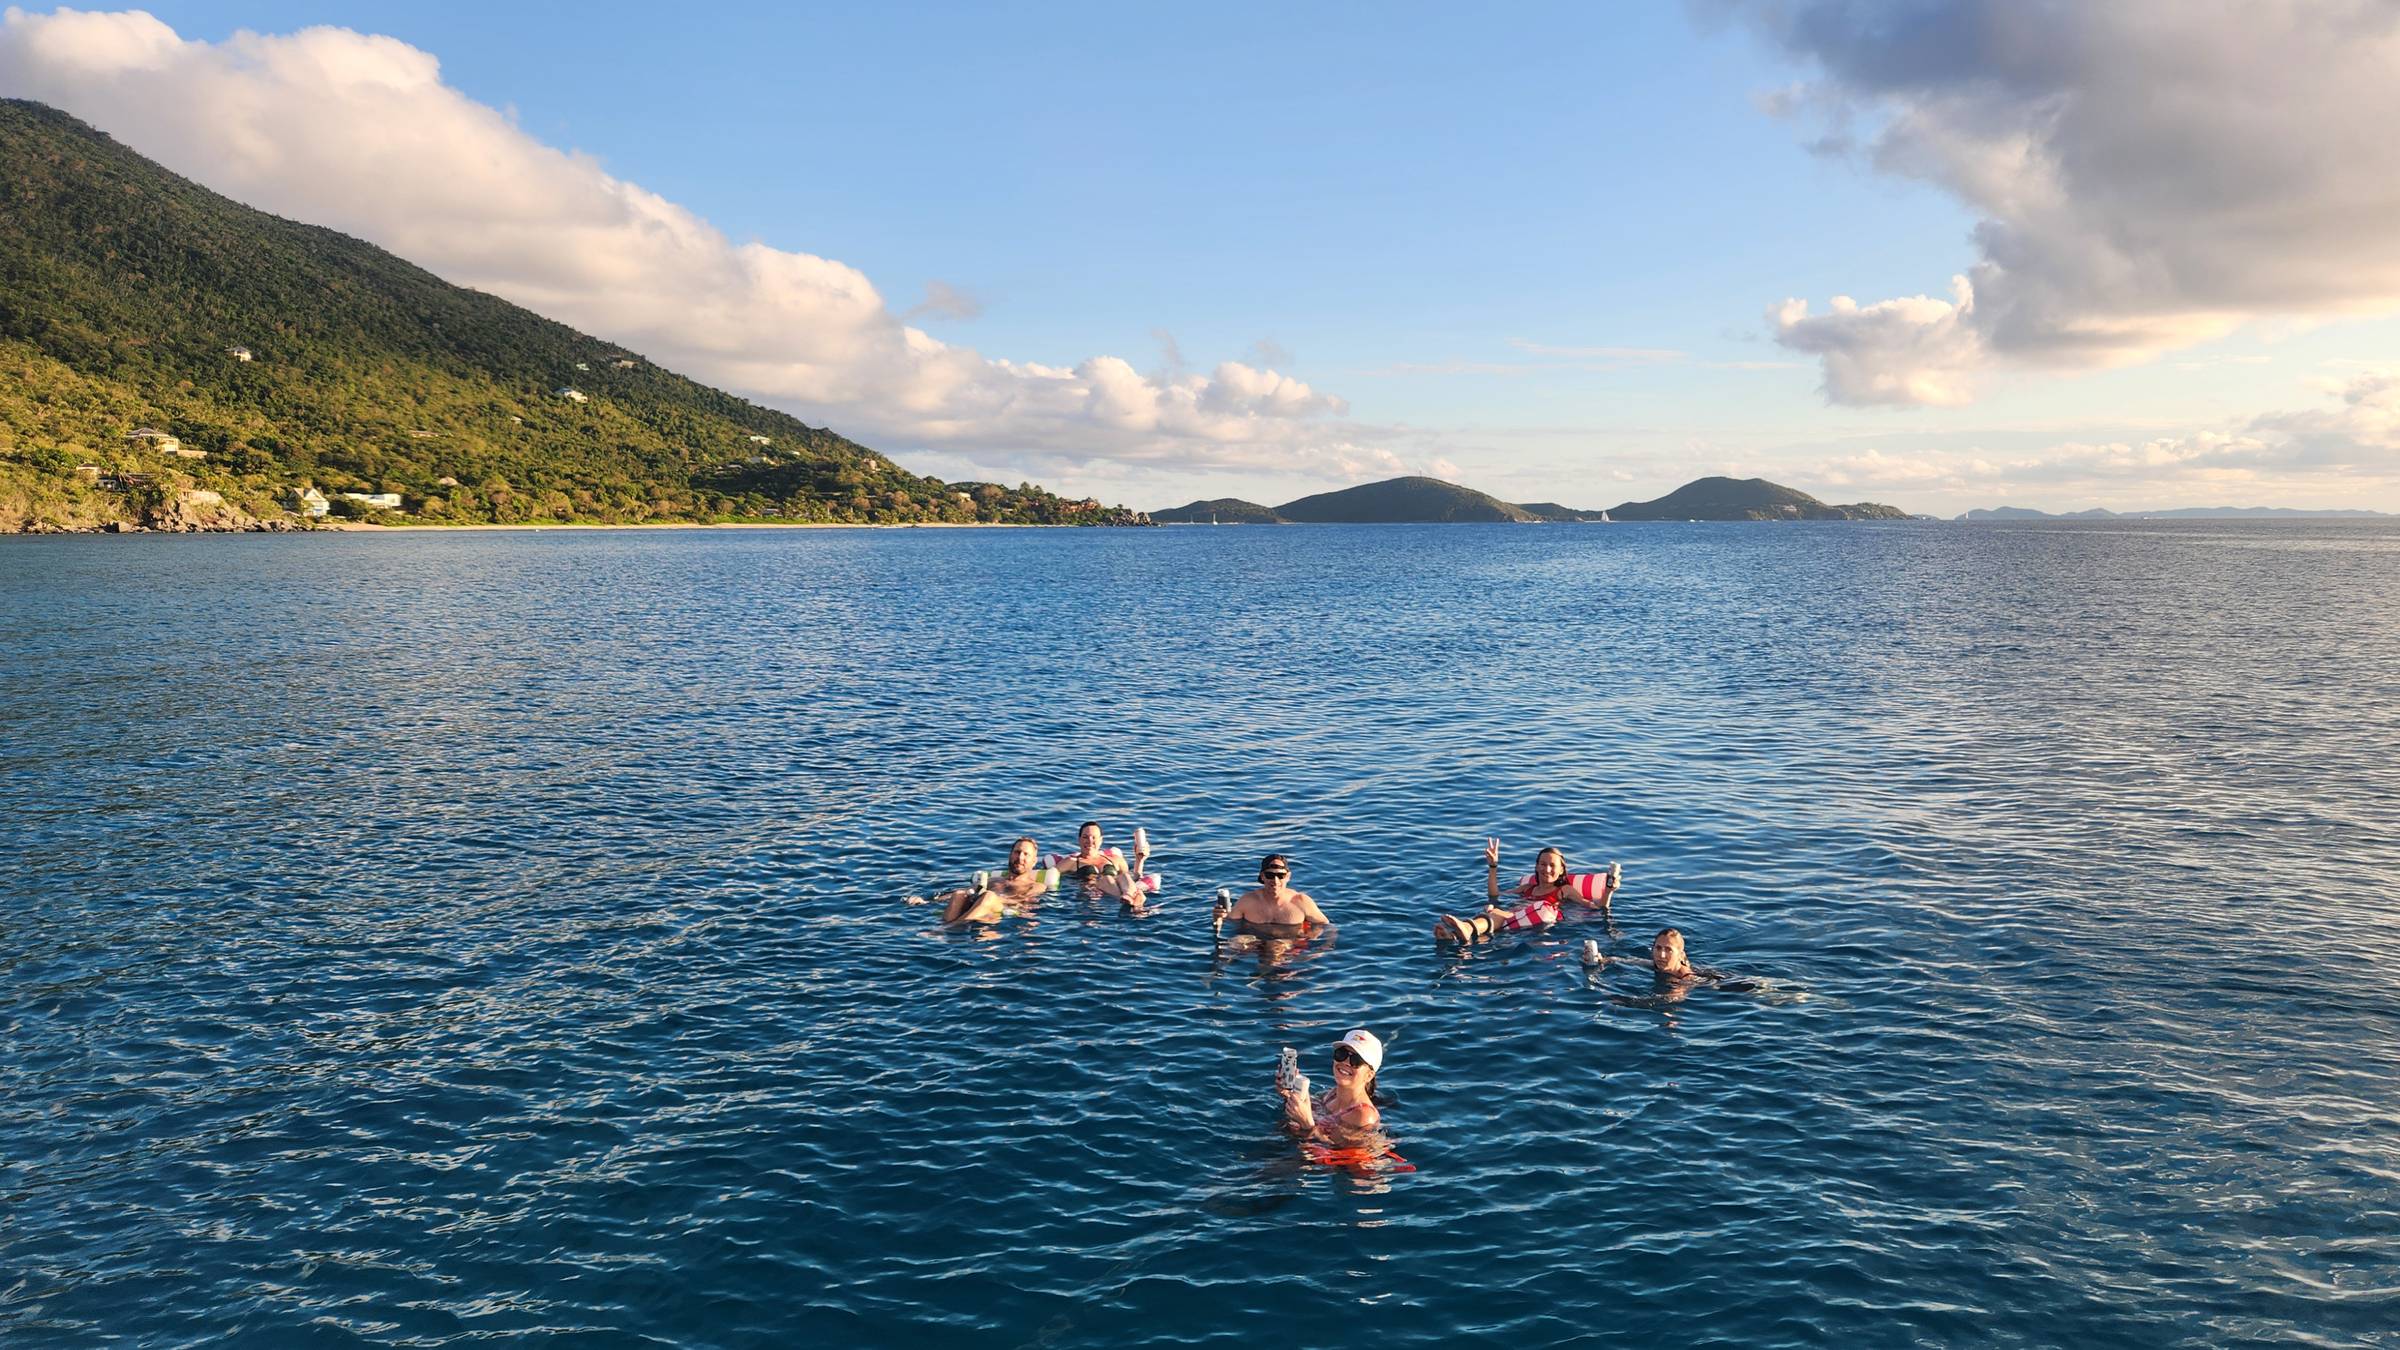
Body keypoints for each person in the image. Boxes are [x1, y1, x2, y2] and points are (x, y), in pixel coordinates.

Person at [1434, 839, 1619, 942]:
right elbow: (1494, 895)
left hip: (1537, 919)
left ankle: (1465, 929)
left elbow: (1596, 907)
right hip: (1512, 919)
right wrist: (1493, 867)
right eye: (1542, 864)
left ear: (1562, 869)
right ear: (1536, 867)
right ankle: (1455, 936)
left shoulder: (1565, 890)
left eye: (1552, 865)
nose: (1546, 869)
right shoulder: (1528, 887)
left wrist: (1609, 891)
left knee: (1498, 915)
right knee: (1493, 912)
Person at [1278, 1029, 1383, 1145]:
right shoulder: (1331, 1094)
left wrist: (1307, 1125)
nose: (1346, 1062)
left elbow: (1346, 1156)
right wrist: (1288, 1094)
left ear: (1369, 1075)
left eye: (1356, 1060)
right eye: (1341, 1054)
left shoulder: (1364, 1116)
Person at [929, 837, 1053, 924]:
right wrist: (926, 902)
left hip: (999, 910)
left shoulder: (1036, 886)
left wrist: (992, 897)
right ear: (1010, 855)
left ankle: (951, 928)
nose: (1020, 857)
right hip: (979, 903)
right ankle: (943, 927)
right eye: (1017, 852)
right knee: (959, 894)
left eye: (1026, 854)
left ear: (1034, 862)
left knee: (988, 895)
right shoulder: (993, 880)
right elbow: (967, 890)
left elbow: (1022, 901)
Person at [1214, 854, 1330, 938]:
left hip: (1289, 944)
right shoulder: (1247, 901)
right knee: (1232, 946)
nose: (1275, 880)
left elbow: (1326, 926)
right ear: (1262, 876)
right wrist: (1218, 919)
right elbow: (1229, 924)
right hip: (1254, 941)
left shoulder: (1301, 901)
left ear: (1288, 877)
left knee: (1276, 949)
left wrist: (1316, 944)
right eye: (1270, 875)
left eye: (1280, 876)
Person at [1058, 821, 1151, 885]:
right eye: (1085, 837)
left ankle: (1130, 898)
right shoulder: (1071, 862)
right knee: (1106, 879)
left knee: (1124, 878)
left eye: (1094, 837)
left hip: (1113, 898)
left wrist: (1139, 861)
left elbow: (1133, 880)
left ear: (1101, 840)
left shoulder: (1116, 860)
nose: (1089, 841)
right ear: (1079, 840)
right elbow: (1049, 876)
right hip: (1089, 898)